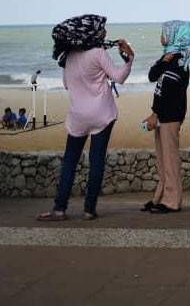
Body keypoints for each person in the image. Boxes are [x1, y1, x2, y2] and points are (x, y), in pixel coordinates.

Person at [38, 14, 134, 221]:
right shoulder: (98, 53)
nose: (105, 32)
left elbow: (67, 85)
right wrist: (129, 59)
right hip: (102, 114)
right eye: (102, 29)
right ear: (92, 33)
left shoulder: (68, 56)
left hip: (78, 116)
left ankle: (59, 209)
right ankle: (89, 210)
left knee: (70, 161)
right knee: (96, 161)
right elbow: (119, 77)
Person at [141, 20, 190, 215]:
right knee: (162, 161)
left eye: (164, 32)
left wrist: (155, 114)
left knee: (170, 160)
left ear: (174, 36)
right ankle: (161, 197)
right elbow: (152, 76)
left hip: (170, 116)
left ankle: (172, 201)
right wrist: (162, 61)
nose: (161, 36)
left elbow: (168, 92)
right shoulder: (168, 58)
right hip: (162, 116)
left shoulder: (179, 61)